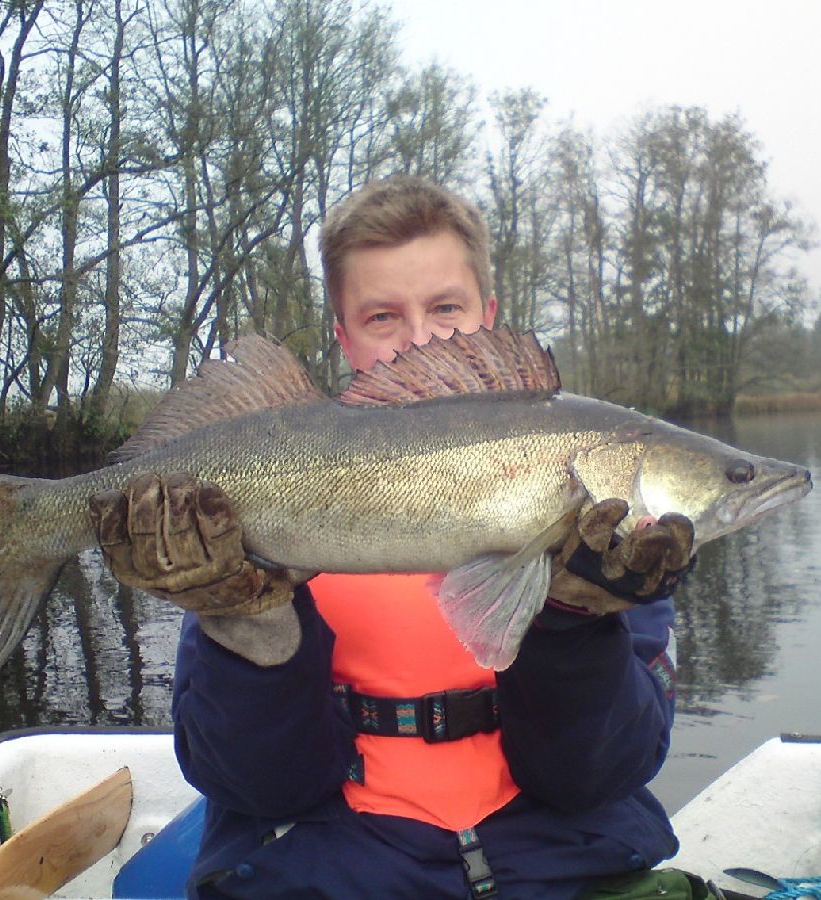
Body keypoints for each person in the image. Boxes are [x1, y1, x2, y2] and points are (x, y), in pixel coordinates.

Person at [89, 176, 698, 899]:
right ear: (343, 337)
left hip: (556, 866)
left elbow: (601, 773)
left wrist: (573, 626)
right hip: (337, 871)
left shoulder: (609, 535)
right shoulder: (255, 523)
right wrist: (250, 626)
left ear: (489, 316)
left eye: (446, 308)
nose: (421, 339)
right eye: (382, 317)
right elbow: (256, 784)